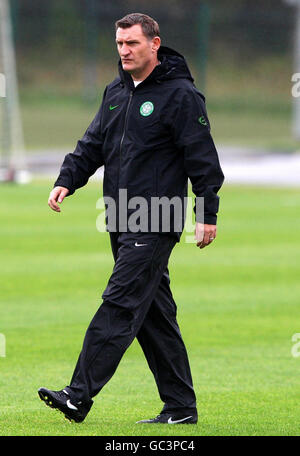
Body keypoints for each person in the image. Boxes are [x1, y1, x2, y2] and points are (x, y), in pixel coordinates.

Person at [38, 13, 224, 425]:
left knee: (120, 303)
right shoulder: (116, 92)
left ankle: (77, 395)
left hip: (158, 217)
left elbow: (203, 160)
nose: (123, 51)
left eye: (132, 44)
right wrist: (67, 179)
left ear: (154, 44)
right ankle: (180, 407)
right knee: (154, 317)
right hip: (119, 217)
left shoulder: (181, 96)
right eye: (119, 44)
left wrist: (206, 213)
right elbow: (92, 144)